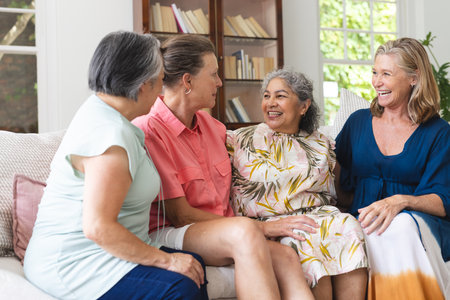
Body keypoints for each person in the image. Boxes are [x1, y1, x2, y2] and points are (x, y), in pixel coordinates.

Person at [24, 31, 208, 300]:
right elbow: (98, 228)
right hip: (74, 264)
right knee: (180, 284)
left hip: (99, 252)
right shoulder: (108, 136)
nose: (161, 91)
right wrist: (166, 261)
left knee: (194, 264)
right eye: (159, 81)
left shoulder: (105, 114)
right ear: (143, 84)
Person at [133, 34, 314, 300]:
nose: (219, 82)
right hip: (173, 231)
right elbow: (181, 215)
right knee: (244, 232)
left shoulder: (214, 128)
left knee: (286, 256)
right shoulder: (150, 130)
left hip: (227, 229)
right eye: (214, 74)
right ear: (188, 81)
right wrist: (261, 227)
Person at [226, 69, 369, 300]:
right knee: (304, 239)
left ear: (303, 106)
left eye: (280, 96)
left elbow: (341, 193)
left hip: (318, 215)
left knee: (347, 225)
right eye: (266, 96)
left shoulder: (322, 143)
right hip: (269, 223)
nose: (271, 103)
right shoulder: (238, 139)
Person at [335, 37, 450, 299]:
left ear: (413, 78)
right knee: (359, 227)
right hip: (363, 219)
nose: (377, 82)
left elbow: (444, 201)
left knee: (397, 226)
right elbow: (336, 179)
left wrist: (400, 201)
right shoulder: (357, 123)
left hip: (420, 224)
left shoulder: (439, 133)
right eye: (375, 72)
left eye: (386, 73)